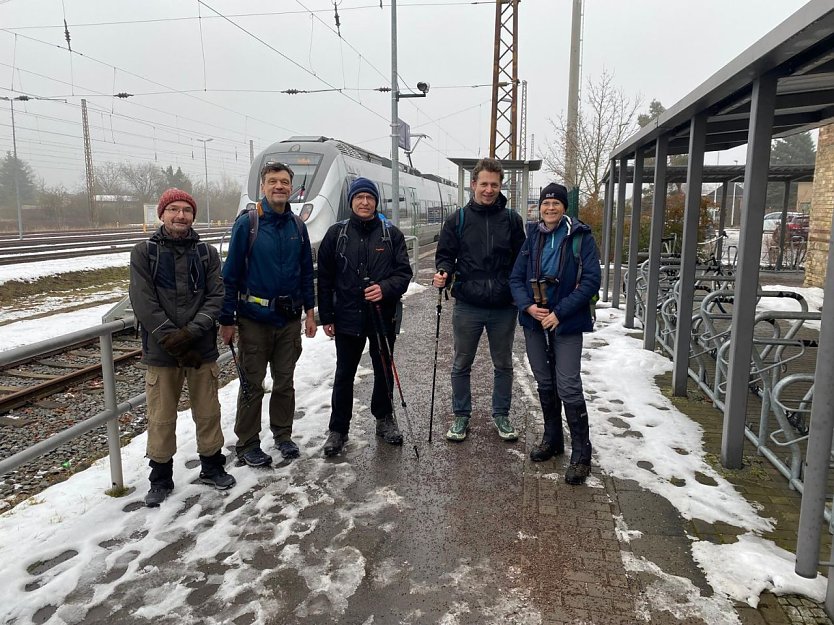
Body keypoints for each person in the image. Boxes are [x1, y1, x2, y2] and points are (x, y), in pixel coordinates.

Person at [129, 188, 235, 508]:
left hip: (200, 348)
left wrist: (191, 332)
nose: (180, 215)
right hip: (161, 352)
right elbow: (142, 300)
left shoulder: (206, 254)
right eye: (173, 209)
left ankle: (212, 466)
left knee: (208, 411)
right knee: (161, 417)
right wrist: (169, 336)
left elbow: (216, 296)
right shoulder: (144, 252)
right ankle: (160, 478)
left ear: (193, 216)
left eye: (186, 210)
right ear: (162, 214)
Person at [219, 162, 316, 467]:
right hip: (254, 320)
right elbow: (230, 274)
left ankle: (283, 435)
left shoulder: (297, 227)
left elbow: (305, 274)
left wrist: (310, 313)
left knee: (285, 382)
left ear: (292, 188)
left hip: (288, 321)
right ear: (263, 187)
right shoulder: (248, 224)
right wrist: (227, 319)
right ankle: (247, 443)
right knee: (252, 384)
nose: (279, 187)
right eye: (273, 181)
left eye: (284, 182)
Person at [509, 182, 601, 485]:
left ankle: (581, 453)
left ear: (564, 207)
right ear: (540, 207)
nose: (550, 208)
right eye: (545, 204)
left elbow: (590, 281)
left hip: (567, 321)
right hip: (535, 320)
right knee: (544, 381)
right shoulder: (532, 235)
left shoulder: (581, 236)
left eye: (556, 204)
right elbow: (516, 278)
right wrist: (528, 307)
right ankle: (552, 439)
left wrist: (559, 313)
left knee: (569, 383)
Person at [317, 178, 413, 456]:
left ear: (376, 202)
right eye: (359, 197)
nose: (364, 202)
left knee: (384, 371)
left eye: (369, 198)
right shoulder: (337, 235)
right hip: (347, 317)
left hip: (382, 317)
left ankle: (384, 419)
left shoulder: (390, 234)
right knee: (344, 374)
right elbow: (324, 279)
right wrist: (327, 316)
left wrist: (384, 288)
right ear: (351, 202)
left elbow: (404, 274)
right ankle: (338, 429)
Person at [433, 158, 526, 442]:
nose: (488, 189)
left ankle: (501, 414)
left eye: (494, 185)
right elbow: (445, 255)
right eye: (484, 184)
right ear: (474, 184)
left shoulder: (512, 220)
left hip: (502, 306)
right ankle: (461, 416)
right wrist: (443, 272)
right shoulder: (458, 219)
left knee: (503, 364)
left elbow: (521, 259)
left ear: (500, 186)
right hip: (468, 305)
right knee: (461, 363)